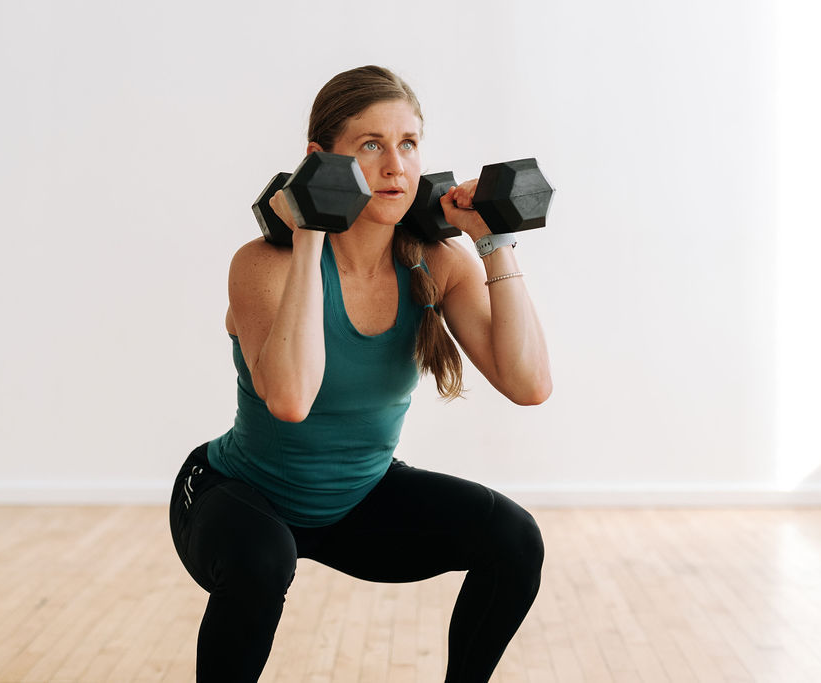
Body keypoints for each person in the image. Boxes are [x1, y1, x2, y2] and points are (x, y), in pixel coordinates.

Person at [169, 65, 552, 682]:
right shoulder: (261, 265)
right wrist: (312, 237)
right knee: (264, 560)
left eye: (408, 144)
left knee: (513, 540)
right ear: (321, 161)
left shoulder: (437, 262)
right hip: (235, 498)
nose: (396, 167)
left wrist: (493, 242)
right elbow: (290, 400)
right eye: (370, 145)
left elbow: (528, 384)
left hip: (357, 501)